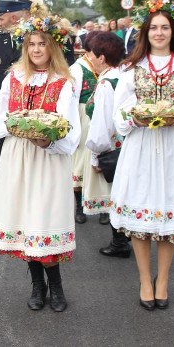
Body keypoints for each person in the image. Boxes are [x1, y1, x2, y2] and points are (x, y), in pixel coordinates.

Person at [110, 0, 174, 311]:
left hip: (173, 148)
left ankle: (163, 280)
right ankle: (145, 279)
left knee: (168, 215)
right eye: (153, 27)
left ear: (173, 31)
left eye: (164, 27)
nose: (158, 32)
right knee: (141, 217)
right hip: (141, 148)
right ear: (145, 31)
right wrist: (133, 117)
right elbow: (118, 113)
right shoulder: (131, 69)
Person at [0, 16, 81, 312]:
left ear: (53, 47)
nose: (37, 49)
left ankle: (56, 284)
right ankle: (37, 285)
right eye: (31, 44)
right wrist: (14, 125)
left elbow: (71, 127)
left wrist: (50, 139)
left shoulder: (63, 82)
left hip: (47, 159)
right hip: (18, 157)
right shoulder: (13, 77)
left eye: (42, 44)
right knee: (25, 220)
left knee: (45, 219)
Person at [80, 32, 131, 258]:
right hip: (128, 146)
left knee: (113, 194)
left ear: (102, 58)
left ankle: (120, 242)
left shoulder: (107, 84)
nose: (89, 58)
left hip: (112, 147)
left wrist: (96, 154)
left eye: (91, 54)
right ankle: (125, 238)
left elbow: (102, 124)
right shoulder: (126, 76)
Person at [0, 0, 32, 199]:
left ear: (13, 17)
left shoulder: (35, 40)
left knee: (28, 160)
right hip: (3, 112)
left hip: (30, 108)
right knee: (0, 155)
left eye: (1, 18)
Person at [70, 30, 103, 225]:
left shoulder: (106, 64)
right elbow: (72, 100)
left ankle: (103, 206)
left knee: (100, 160)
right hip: (83, 116)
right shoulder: (79, 68)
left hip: (101, 117)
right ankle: (79, 205)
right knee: (81, 160)